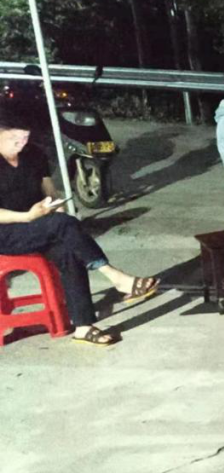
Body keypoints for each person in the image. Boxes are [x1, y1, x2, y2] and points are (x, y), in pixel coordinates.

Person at [0, 111, 159, 346]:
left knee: (68, 247)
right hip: (7, 231)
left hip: (39, 223)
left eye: (24, 138)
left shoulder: (33, 154)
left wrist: (54, 205)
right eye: (14, 138)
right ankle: (116, 277)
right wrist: (27, 216)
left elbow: (49, 190)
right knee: (64, 225)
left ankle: (83, 327)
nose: (21, 143)